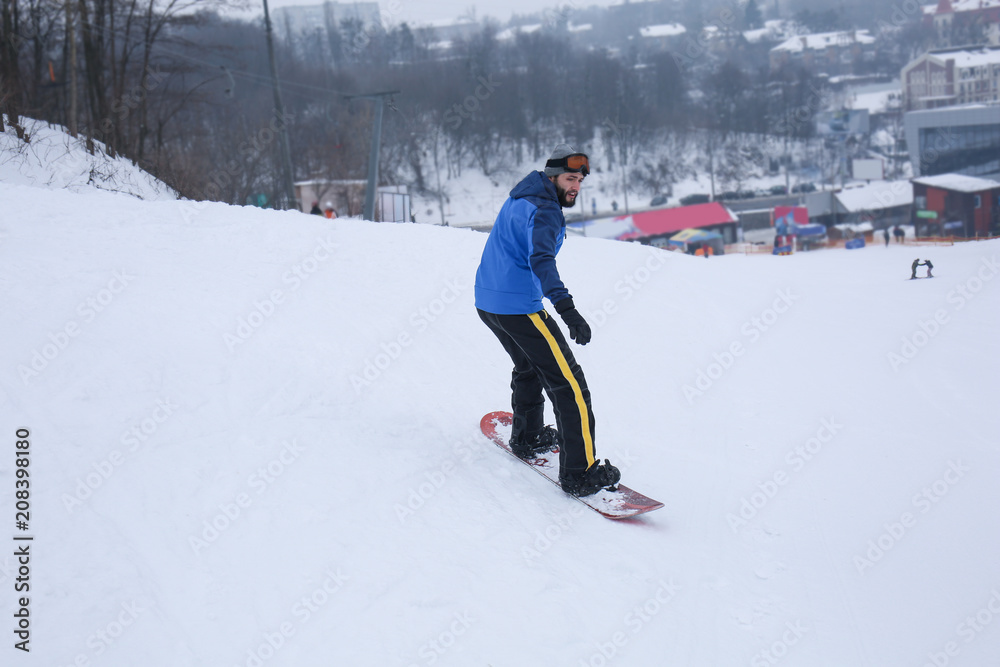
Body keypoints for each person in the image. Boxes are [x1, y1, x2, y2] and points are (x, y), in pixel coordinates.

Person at [475, 144, 620, 498]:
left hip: (488, 301)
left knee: (529, 365)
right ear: (553, 176)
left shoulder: (522, 196)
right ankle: (579, 472)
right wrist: (567, 309)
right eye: (570, 179)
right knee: (570, 385)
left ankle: (528, 435)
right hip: (519, 308)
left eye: (580, 180)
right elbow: (542, 260)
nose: (575, 187)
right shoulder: (545, 210)